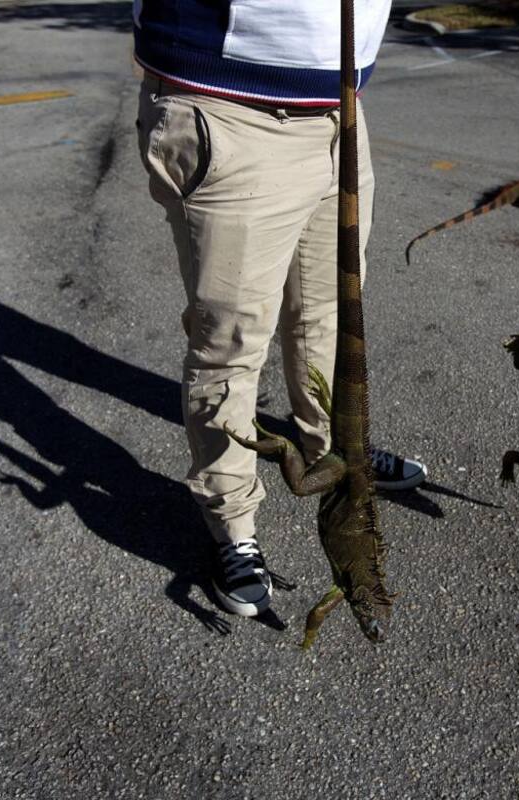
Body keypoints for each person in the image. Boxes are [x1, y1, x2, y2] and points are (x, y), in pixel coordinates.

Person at [133, 0, 426, 618]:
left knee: (331, 317)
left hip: (341, 102)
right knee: (232, 343)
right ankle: (231, 517)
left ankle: (335, 454)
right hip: (229, 103)